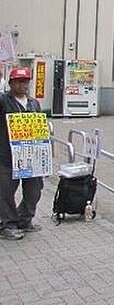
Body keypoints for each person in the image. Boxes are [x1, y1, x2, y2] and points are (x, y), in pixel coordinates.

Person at [0, 68, 44, 240]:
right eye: (18, 81)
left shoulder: (34, 103)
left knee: (34, 190)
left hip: (32, 156)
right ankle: (8, 225)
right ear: (10, 83)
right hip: (7, 157)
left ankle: (24, 219)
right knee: (6, 192)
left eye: (26, 81)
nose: (23, 85)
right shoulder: (3, 101)